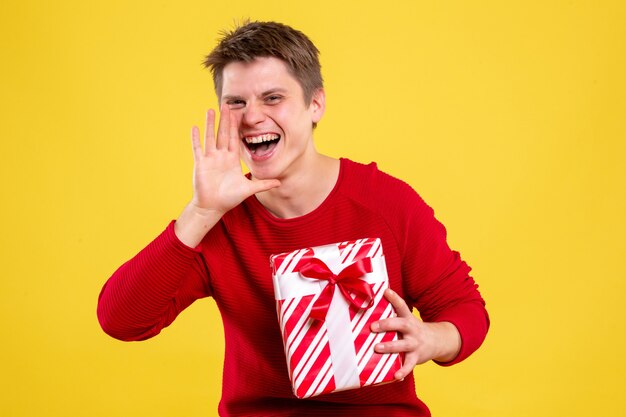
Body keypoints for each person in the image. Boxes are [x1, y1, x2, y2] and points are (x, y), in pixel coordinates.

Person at [97, 21, 489, 416]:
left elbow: (464, 309)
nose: (252, 117)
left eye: (272, 98)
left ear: (315, 103)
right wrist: (201, 212)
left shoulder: (387, 203)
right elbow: (121, 320)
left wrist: (430, 339)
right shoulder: (218, 222)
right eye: (236, 102)